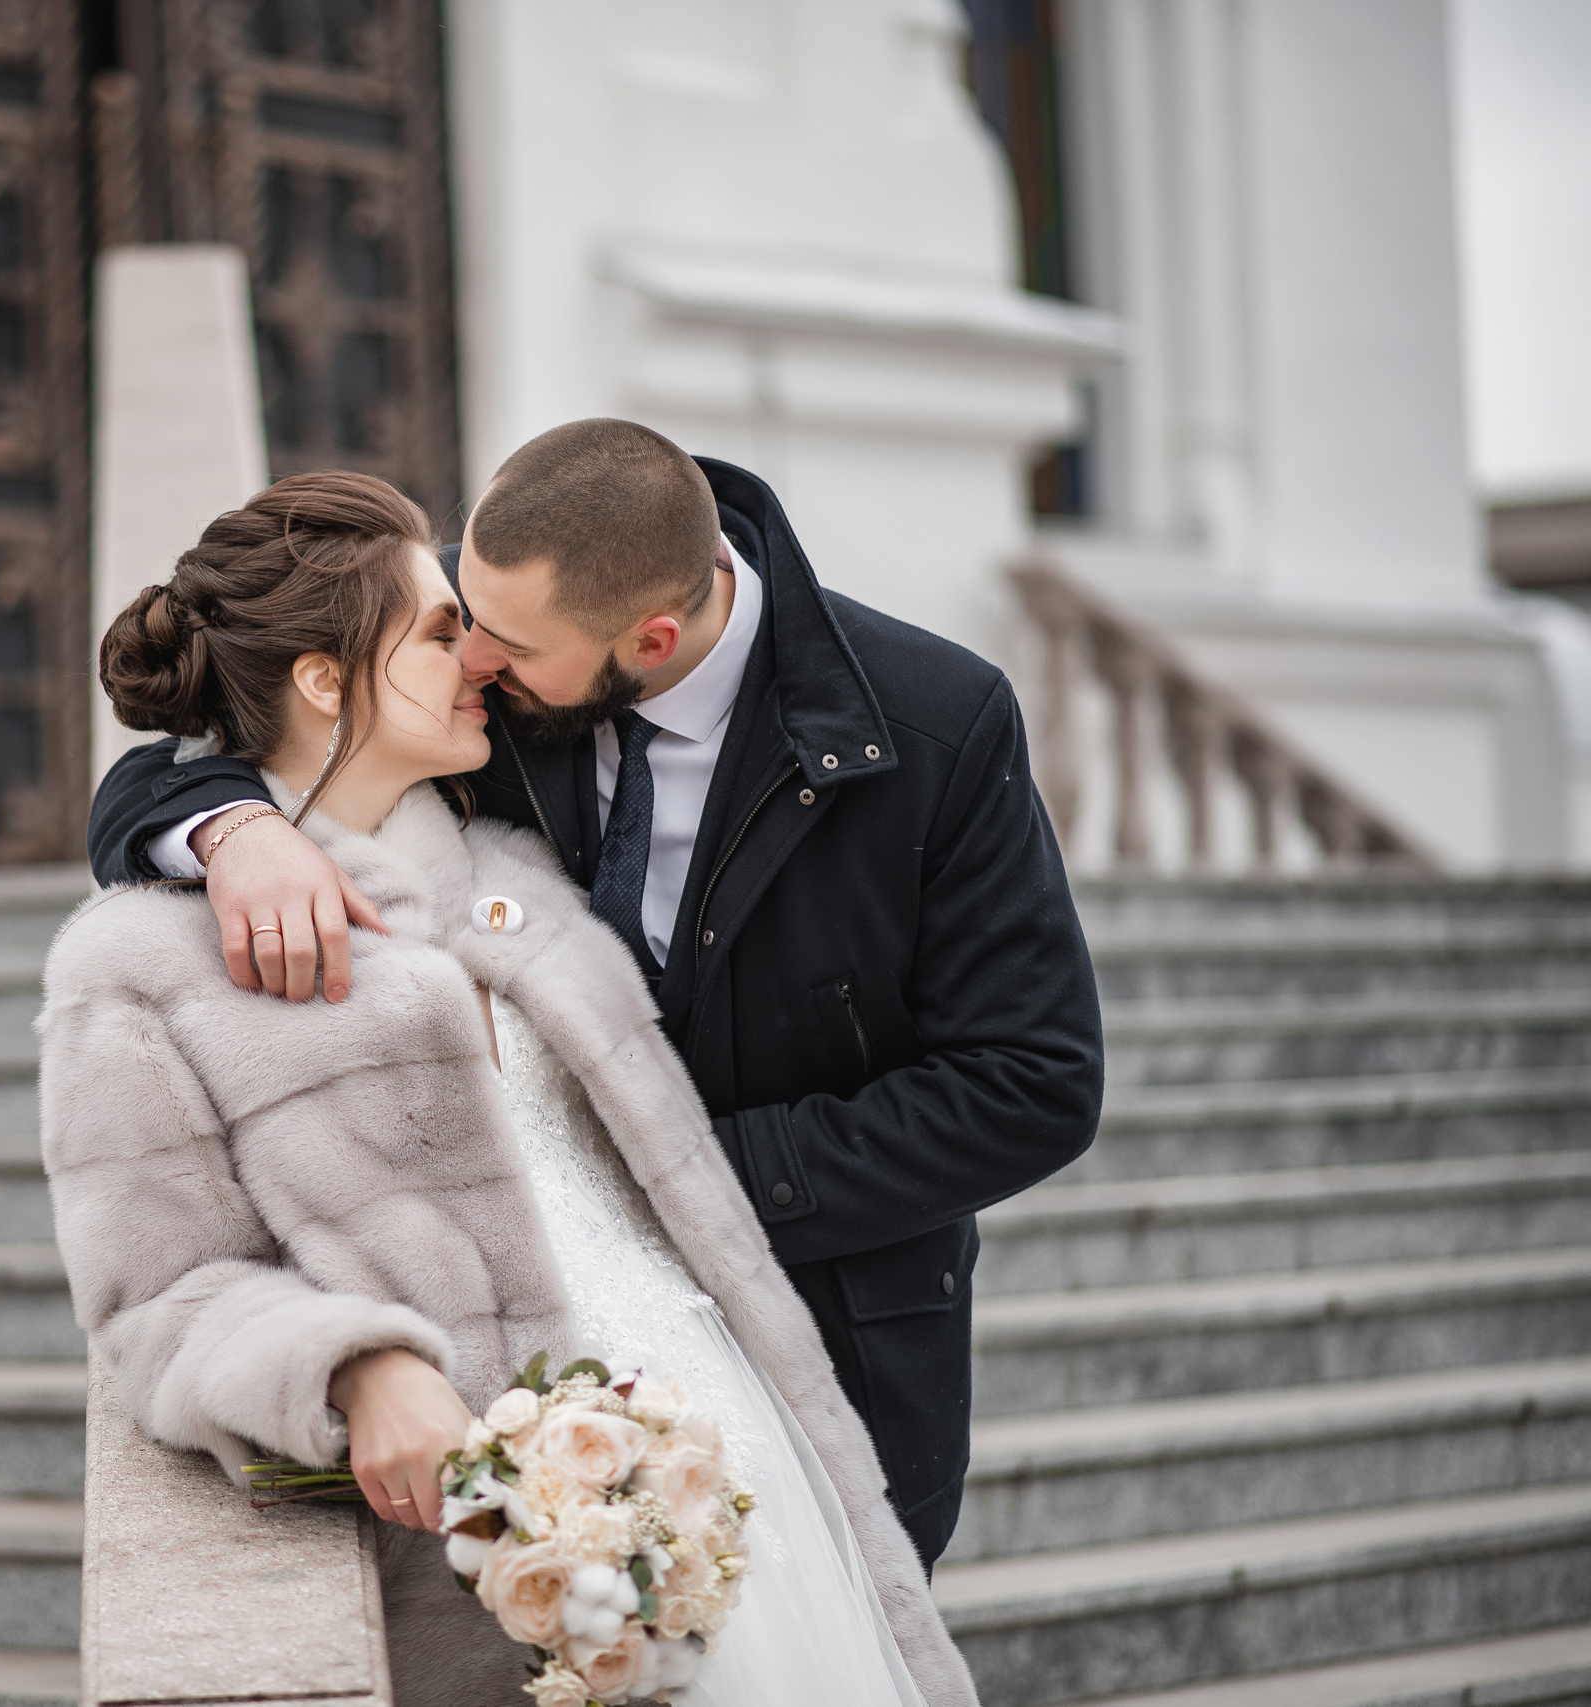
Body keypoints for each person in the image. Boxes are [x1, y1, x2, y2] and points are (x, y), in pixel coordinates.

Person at [84, 420, 1106, 1570]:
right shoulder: (510, 605)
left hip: (835, 1354)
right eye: (458, 619)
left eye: (504, 644)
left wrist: (673, 1183)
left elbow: (1034, 1083)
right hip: (537, 1408)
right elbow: (231, 726)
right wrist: (231, 829)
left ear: (650, 638)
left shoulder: (935, 722)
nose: (472, 657)